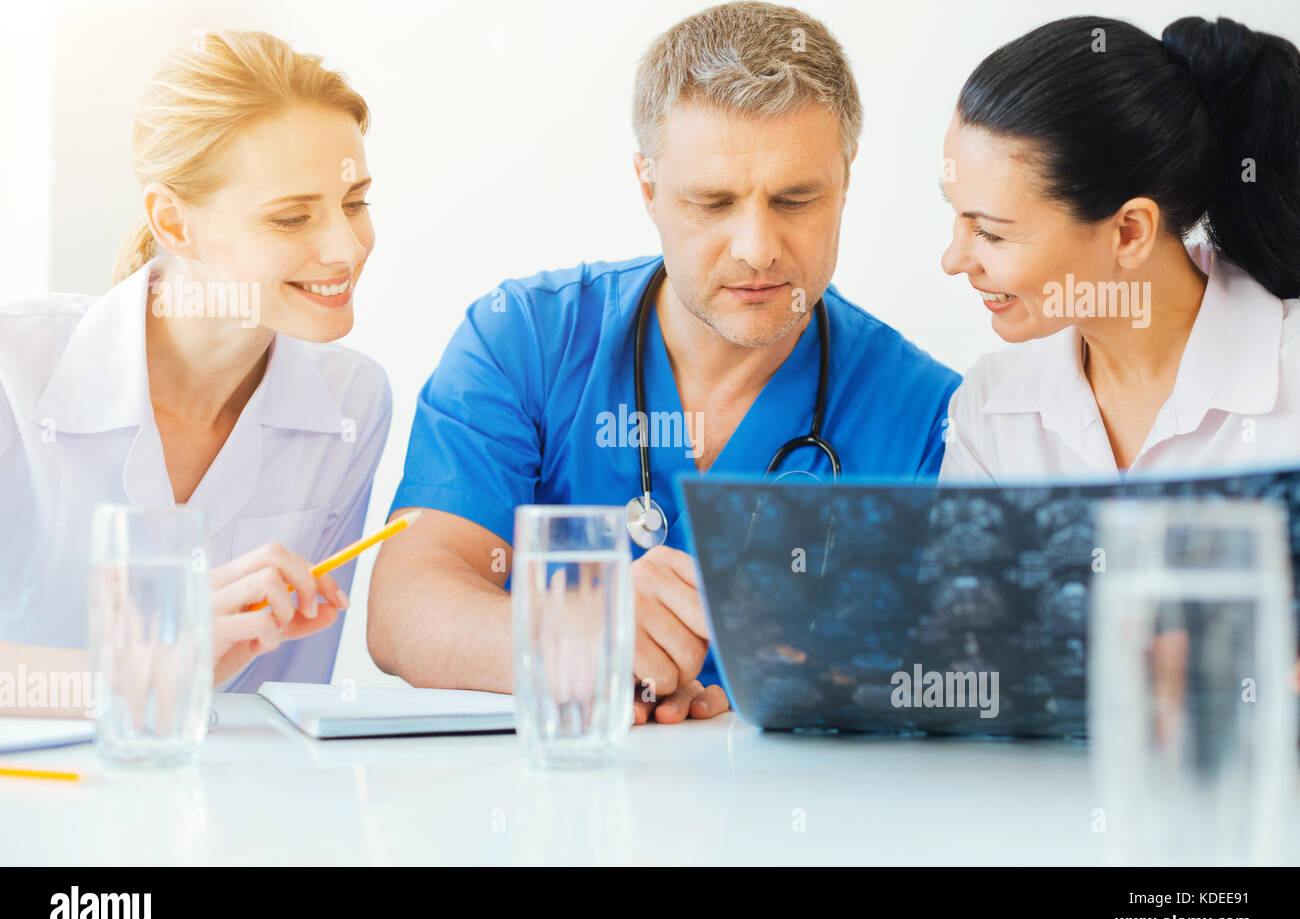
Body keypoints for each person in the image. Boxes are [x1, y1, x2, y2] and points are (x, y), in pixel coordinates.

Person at [368, 1, 960, 723]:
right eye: (712, 202)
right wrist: (578, 639)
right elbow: (403, 607)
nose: (757, 248)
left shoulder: (931, 417)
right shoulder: (524, 340)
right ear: (647, 187)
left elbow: (954, 680)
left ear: (846, 179)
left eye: (796, 198)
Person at [0, 30, 391, 708]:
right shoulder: (16, 369)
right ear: (175, 224)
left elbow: (287, 699)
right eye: (291, 218)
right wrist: (147, 669)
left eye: (354, 203)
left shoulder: (352, 401)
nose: (345, 248)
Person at [938, 15, 1300, 482]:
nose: (952, 261)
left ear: (1130, 232)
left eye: (992, 233)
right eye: (957, 215)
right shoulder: (987, 410)